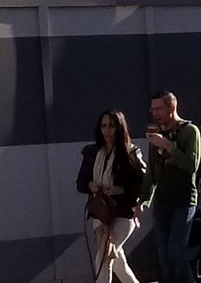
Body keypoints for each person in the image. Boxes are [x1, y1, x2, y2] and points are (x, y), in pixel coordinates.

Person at [76, 110, 148, 283]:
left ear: (120, 128)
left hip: (123, 213)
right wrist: (90, 185)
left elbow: (145, 184)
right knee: (116, 261)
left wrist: (119, 190)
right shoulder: (92, 152)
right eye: (104, 126)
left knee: (103, 257)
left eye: (112, 126)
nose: (107, 130)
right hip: (101, 212)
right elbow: (80, 183)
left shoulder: (130, 152)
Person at [138, 92, 201, 283]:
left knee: (176, 252)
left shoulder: (190, 131)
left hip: (183, 200)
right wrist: (143, 199)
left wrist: (167, 146)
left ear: (171, 108)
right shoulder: (156, 132)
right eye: (153, 109)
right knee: (165, 258)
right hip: (162, 201)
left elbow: (192, 165)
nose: (155, 113)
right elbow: (151, 168)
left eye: (159, 109)